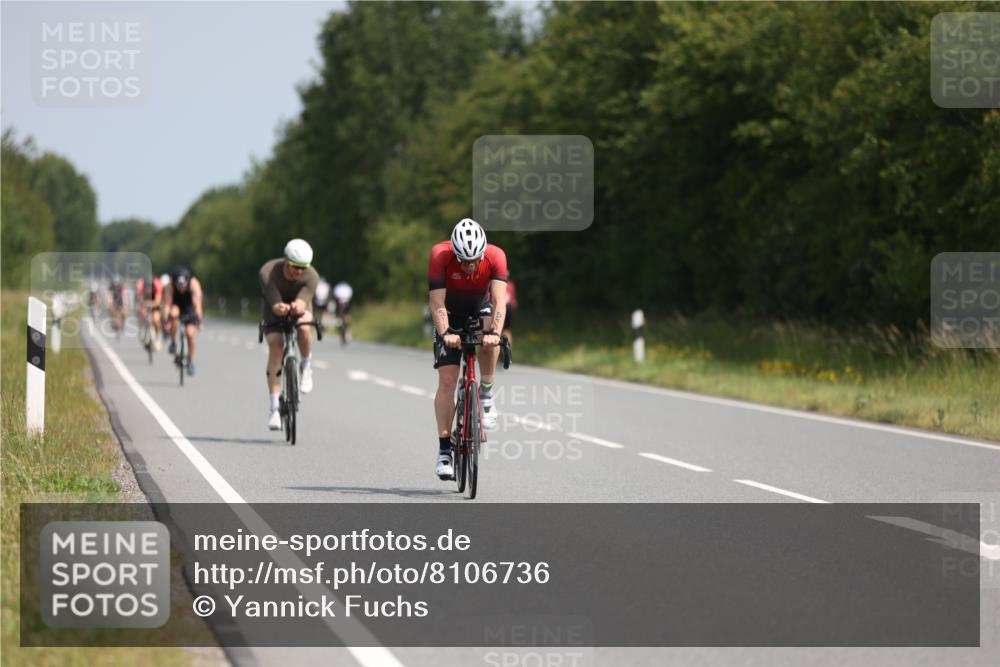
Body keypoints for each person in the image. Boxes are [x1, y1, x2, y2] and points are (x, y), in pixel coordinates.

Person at [428, 218, 508, 480]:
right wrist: (445, 333)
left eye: (474, 259)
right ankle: (443, 452)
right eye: (464, 259)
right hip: (449, 312)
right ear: (455, 252)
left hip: (479, 309)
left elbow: (499, 303)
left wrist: (495, 334)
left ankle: (485, 394)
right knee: (448, 380)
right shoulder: (440, 255)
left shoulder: (496, 256)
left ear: (483, 252)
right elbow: (436, 301)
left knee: (489, 335)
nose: (469, 265)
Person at [260, 239, 319, 431]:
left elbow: (302, 304)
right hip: (273, 306)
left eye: (303, 268)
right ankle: (274, 409)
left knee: (303, 327)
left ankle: (306, 365)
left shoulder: (311, 276)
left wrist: (296, 307)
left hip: (297, 305)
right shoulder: (268, 272)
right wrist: (280, 308)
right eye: (295, 266)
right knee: (276, 345)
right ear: (286, 259)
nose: (299, 272)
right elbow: (276, 307)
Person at [164, 266, 204, 376]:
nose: (181, 289)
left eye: (183, 286)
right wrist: (167, 320)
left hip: (189, 306)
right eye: (179, 286)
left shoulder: (194, 284)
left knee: (190, 334)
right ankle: (173, 342)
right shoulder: (170, 285)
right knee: (173, 314)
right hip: (176, 304)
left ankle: (190, 361)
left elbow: (197, 305)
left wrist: (199, 320)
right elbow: (167, 304)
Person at [135, 274, 164, 351]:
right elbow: (140, 299)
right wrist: (144, 306)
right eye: (147, 288)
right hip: (144, 302)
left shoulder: (157, 285)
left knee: (156, 319)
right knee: (141, 312)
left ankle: (157, 336)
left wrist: (151, 304)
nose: (148, 289)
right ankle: (141, 329)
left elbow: (158, 300)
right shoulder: (140, 285)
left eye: (150, 288)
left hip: (154, 304)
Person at [333, 280, 353, 344]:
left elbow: (335, 294)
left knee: (345, 317)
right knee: (344, 316)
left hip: (343, 303)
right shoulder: (347, 288)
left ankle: (346, 330)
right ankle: (343, 326)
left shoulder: (339, 288)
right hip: (344, 303)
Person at [503, 277, 518, 346]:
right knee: (507, 330)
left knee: (496, 330)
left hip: (499, 306)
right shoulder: (511, 284)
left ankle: (499, 352)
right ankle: (507, 351)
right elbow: (514, 302)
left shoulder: (493, 283)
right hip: (508, 307)